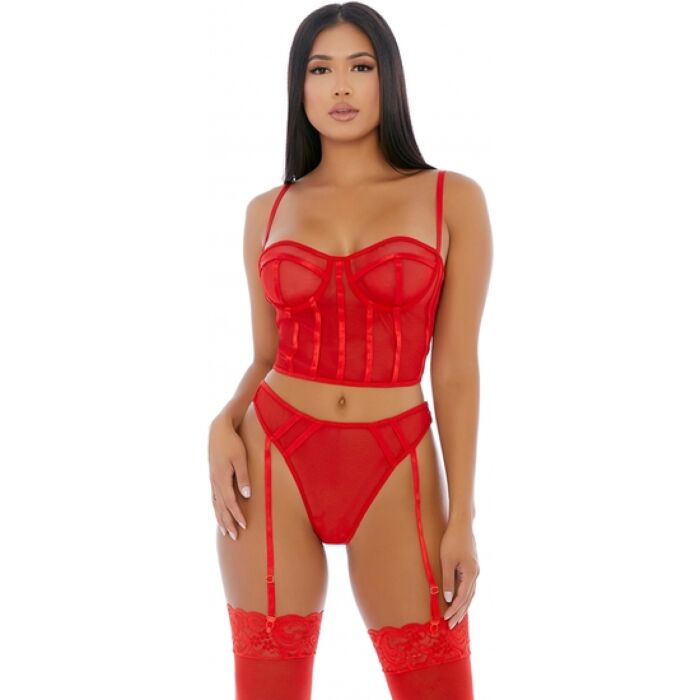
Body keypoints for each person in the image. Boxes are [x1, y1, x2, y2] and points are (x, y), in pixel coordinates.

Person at [208, 3, 492, 698]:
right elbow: (265, 356)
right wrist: (223, 420)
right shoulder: (266, 211)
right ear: (298, 88)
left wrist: (463, 517)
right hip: (272, 457)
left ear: (388, 80)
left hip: (395, 460)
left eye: (359, 67)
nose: (340, 86)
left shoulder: (451, 199)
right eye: (320, 69)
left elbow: (455, 369)